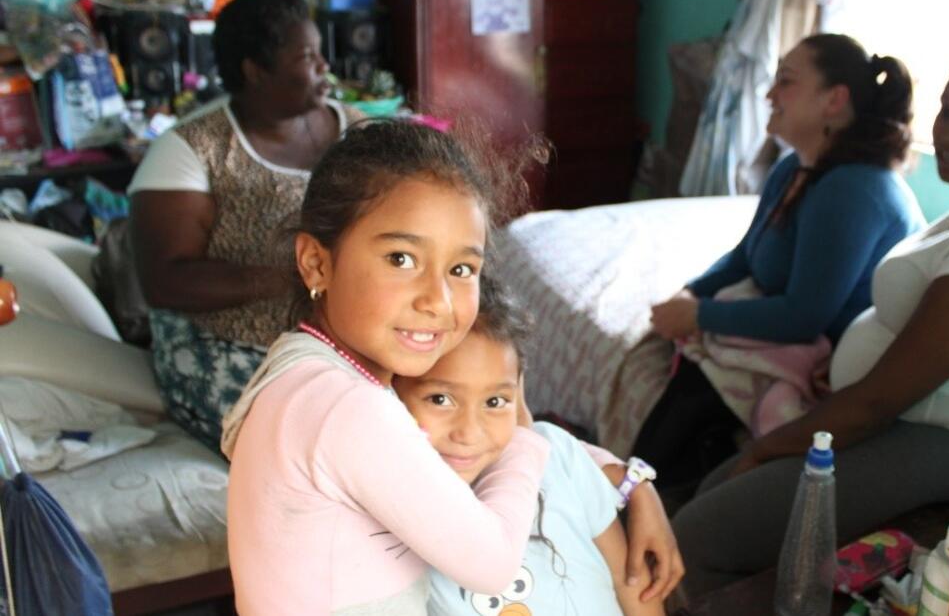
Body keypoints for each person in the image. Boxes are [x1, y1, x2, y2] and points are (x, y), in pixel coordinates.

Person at [221, 119, 681, 614]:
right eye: (401, 258)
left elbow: (475, 429)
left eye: (462, 269)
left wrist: (631, 483)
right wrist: (523, 431)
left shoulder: (304, 372)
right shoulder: (347, 407)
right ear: (316, 263)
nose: (438, 301)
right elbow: (494, 562)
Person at [671, 43, 949, 599]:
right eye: (947, 110)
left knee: (699, 535)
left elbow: (876, 401)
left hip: (939, 441)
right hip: (891, 415)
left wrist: (763, 448)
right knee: (708, 490)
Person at [636, 34, 926, 488]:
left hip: (831, 365)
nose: (770, 94)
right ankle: (646, 488)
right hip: (798, 338)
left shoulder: (854, 190)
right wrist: (691, 293)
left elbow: (803, 317)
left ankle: (648, 496)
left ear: (835, 100)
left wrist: (698, 314)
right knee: (688, 351)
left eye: (785, 81)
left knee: (700, 375)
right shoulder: (794, 169)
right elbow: (744, 257)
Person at [128, 0, 364, 451]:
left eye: (321, 54)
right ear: (256, 71)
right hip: (231, 350)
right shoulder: (193, 150)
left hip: (346, 344)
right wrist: (296, 278)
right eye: (308, 57)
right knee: (315, 449)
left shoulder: (357, 131)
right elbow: (164, 281)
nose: (324, 67)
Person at [398, 276, 666, 616]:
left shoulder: (557, 457)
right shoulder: (395, 522)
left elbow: (628, 580)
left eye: (495, 401)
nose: (469, 432)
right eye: (440, 399)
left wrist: (640, 487)